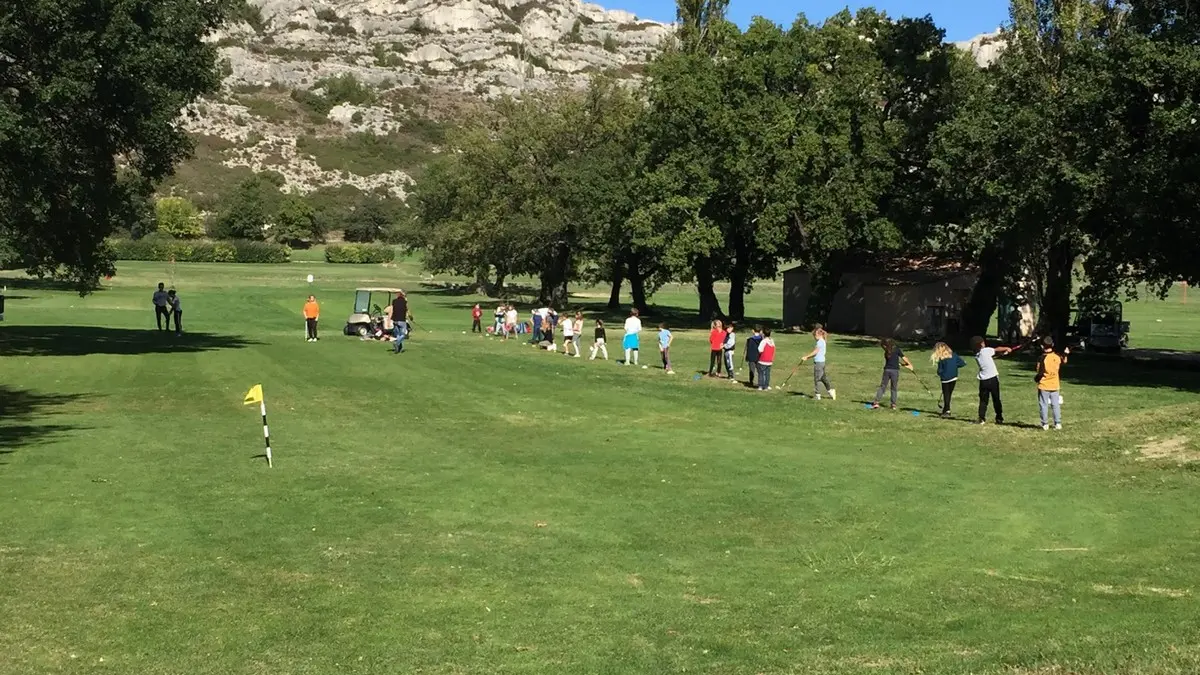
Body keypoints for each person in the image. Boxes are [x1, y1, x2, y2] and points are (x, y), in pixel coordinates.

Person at [970, 336, 1016, 425]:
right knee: (996, 399)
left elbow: (992, 356)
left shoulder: (977, 355)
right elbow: (997, 349)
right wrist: (1007, 348)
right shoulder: (985, 351)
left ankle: (981, 418)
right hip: (993, 379)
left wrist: (1002, 354)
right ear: (981, 344)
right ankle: (999, 417)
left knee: (983, 400)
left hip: (983, 380)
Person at [1035, 337, 1069, 430]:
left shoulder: (1041, 358)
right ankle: (1058, 423)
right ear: (1052, 345)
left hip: (1044, 385)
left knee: (1043, 404)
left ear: (1042, 346)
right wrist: (1065, 354)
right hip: (1055, 384)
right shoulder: (1057, 357)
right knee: (1055, 405)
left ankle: (1045, 424)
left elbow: (1038, 370)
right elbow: (1064, 361)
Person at [871, 338, 913, 410]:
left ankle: (876, 402)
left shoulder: (886, 350)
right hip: (895, 371)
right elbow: (904, 358)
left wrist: (903, 364)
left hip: (887, 370)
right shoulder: (896, 349)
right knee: (894, 388)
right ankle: (893, 404)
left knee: (883, 386)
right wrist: (909, 364)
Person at [800, 325, 837, 401]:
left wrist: (806, 357)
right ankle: (830, 390)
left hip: (819, 363)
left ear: (817, 335)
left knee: (817, 379)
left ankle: (817, 395)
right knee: (823, 378)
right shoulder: (823, 340)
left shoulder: (820, 342)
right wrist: (808, 357)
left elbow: (815, 352)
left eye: (814, 336)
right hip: (822, 362)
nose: (814, 338)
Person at [930, 342, 966, 418]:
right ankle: (945, 409)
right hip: (954, 377)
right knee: (949, 393)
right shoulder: (954, 355)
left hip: (945, 378)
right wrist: (954, 366)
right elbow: (962, 363)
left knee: (946, 394)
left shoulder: (942, 358)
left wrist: (940, 374)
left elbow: (939, 370)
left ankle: (947, 410)